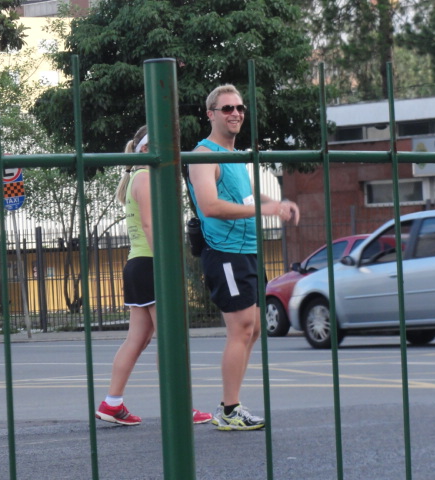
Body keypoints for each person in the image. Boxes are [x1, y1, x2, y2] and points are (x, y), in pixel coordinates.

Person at [186, 85, 300, 431]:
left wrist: (275, 203)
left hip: (247, 251)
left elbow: (246, 195)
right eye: (227, 108)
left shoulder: (234, 155)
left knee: (253, 330)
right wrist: (264, 209)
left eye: (239, 108)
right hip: (224, 253)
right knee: (242, 328)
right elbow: (211, 206)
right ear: (211, 114)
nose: (235, 113)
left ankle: (231, 405)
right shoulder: (203, 155)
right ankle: (229, 409)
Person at [95, 125, 212, 426]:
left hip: (139, 265)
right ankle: (179, 407)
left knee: (139, 339)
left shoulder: (137, 177)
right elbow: (150, 225)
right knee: (170, 340)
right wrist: (167, 266)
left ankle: (111, 403)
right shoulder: (145, 177)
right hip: (151, 265)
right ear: (146, 149)